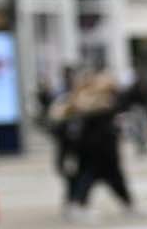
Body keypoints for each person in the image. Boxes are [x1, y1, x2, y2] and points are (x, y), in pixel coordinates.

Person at [57, 71, 140, 219]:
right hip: (99, 150)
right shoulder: (97, 104)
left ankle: (128, 205)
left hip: (92, 149)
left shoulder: (87, 102)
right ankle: (77, 205)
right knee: (91, 177)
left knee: (102, 178)